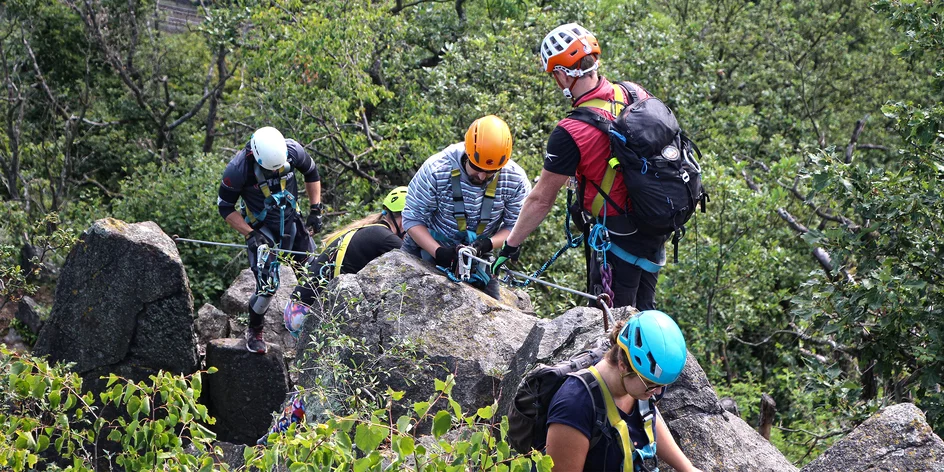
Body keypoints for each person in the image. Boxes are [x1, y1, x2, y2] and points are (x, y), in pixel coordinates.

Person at [491, 23, 670, 310]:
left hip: (616, 237)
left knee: (612, 325)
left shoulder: (571, 130)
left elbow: (540, 199)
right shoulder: (634, 94)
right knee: (644, 310)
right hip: (656, 222)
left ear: (562, 74)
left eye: (554, 75)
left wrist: (510, 245)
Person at [545, 310, 702, 472]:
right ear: (623, 365)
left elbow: (648, 416)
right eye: (651, 384)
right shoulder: (574, 406)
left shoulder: (640, 386)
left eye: (662, 385)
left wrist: (687, 468)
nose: (657, 392)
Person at [217, 126, 323, 353]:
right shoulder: (238, 170)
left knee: (315, 275)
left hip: (292, 223)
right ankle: (255, 330)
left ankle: (319, 329)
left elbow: (312, 173)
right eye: (270, 170)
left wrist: (316, 209)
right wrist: (249, 233)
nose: (275, 173)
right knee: (268, 286)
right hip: (261, 229)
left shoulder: (292, 150)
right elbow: (225, 207)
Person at [401, 115, 531, 300]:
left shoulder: (515, 180)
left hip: (478, 256)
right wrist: (438, 252)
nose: (481, 176)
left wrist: (487, 244)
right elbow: (412, 219)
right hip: (427, 246)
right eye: (476, 167)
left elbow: (516, 226)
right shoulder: (437, 169)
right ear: (468, 153)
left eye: (490, 172)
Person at [283, 186, 408, 336]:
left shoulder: (371, 230)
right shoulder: (386, 238)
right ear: (404, 219)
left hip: (295, 309)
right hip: (306, 313)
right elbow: (415, 263)